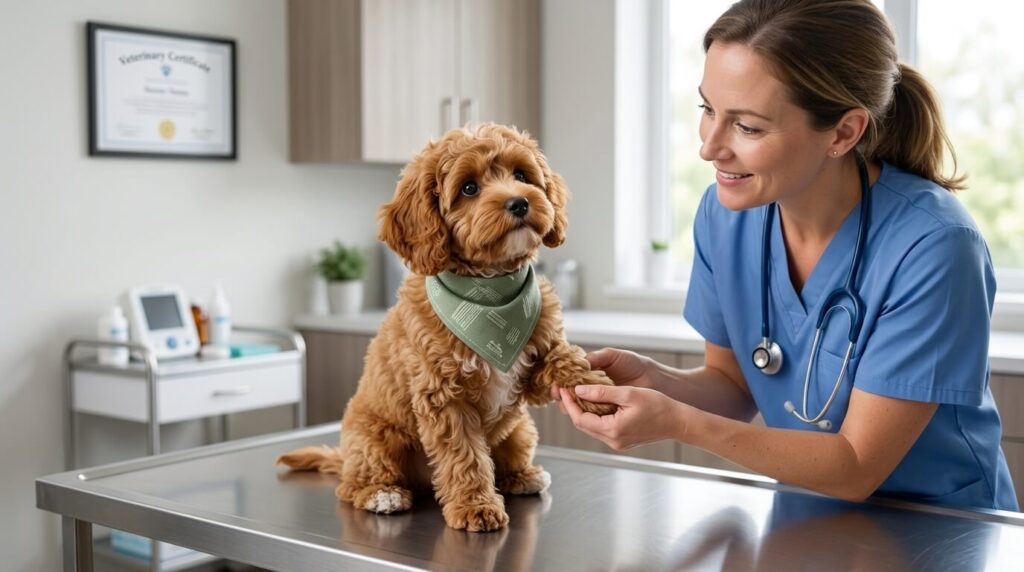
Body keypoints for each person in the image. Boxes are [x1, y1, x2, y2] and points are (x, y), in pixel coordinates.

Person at [555, 0, 1018, 511]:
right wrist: (657, 382)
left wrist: (677, 421)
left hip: (941, 533)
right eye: (707, 109)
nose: (709, 147)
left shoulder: (934, 247)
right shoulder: (727, 212)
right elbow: (734, 385)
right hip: (808, 519)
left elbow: (856, 465)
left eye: (747, 127)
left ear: (843, 132)